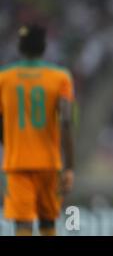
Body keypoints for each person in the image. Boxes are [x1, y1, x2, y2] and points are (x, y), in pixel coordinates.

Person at [0, 24, 75, 236]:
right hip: (50, 164)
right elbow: (67, 121)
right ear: (44, 47)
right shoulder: (60, 78)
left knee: (23, 224)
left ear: (20, 47)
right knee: (48, 223)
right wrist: (69, 167)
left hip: (17, 164)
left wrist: (9, 144)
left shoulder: (4, 78)